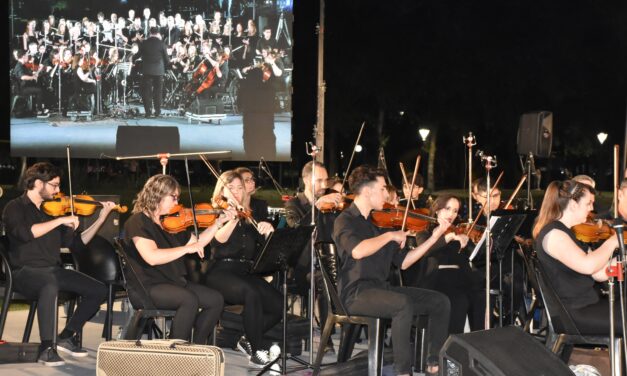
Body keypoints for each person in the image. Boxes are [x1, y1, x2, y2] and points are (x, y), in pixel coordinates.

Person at [333, 165, 450, 376]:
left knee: (440, 301)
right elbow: (358, 251)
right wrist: (389, 236)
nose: (387, 193)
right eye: (383, 188)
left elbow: (404, 262)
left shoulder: (378, 224)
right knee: (402, 305)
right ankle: (403, 371)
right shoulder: (345, 220)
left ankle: (433, 364)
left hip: (381, 289)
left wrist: (434, 237)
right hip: (355, 293)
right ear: (367, 191)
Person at [2, 162, 115, 366]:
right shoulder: (15, 207)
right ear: (38, 183)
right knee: (49, 283)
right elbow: (25, 233)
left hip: (52, 270)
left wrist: (100, 219)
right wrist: (59, 222)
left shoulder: (52, 211)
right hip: (23, 273)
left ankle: (66, 336)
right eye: (54, 185)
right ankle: (47, 348)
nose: (58, 190)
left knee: (97, 290)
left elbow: (77, 244)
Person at [123, 174, 229, 344]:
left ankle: (196, 345)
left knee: (215, 300)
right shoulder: (138, 222)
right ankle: (174, 353)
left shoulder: (171, 222)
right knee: (188, 299)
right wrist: (186, 249)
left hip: (173, 282)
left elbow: (199, 242)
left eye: (177, 198)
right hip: (147, 286)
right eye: (173, 197)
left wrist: (217, 223)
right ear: (157, 194)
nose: (177, 203)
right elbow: (151, 257)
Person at [204, 170, 280, 367]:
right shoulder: (216, 213)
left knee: (278, 304)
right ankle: (256, 350)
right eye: (231, 188)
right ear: (222, 191)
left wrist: (267, 233)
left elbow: (260, 251)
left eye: (239, 187)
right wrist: (232, 219)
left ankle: (247, 338)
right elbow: (217, 242)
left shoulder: (249, 214)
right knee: (251, 293)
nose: (237, 192)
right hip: (219, 272)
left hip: (244, 272)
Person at [533, 179, 619, 335]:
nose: (592, 208)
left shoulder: (566, 232)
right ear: (573, 204)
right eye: (588, 204)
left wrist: (623, 258)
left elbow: (598, 274)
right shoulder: (555, 235)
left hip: (584, 306)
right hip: (573, 313)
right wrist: (613, 241)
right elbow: (588, 266)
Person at [403, 194, 485, 334]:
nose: (452, 214)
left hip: (460, 277)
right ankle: (448, 346)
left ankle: (478, 341)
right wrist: (446, 238)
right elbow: (426, 250)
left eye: (455, 211)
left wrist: (476, 244)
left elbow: (475, 256)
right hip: (436, 279)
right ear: (437, 210)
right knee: (459, 299)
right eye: (448, 209)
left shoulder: (456, 232)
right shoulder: (424, 230)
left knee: (481, 295)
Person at [135, 26, 169, 117]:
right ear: (157, 34)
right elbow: (166, 59)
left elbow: (138, 54)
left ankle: (148, 112)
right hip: (159, 71)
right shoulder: (162, 44)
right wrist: (167, 66)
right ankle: (157, 112)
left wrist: (133, 58)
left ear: (150, 33)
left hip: (147, 71)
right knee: (158, 92)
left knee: (146, 92)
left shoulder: (145, 43)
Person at [12, 50, 49, 117]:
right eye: (26, 56)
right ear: (23, 57)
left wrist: (39, 70)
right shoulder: (19, 66)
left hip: (26, 86)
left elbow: (30, 73)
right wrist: (32, 77)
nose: (28, 57)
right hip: (22, 89)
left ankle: (37, 108)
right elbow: (23, 77)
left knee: (40, 87)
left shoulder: (23, 65)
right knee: (39, 91)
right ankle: (39, 111)